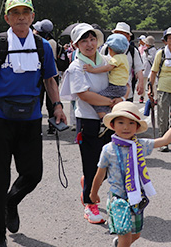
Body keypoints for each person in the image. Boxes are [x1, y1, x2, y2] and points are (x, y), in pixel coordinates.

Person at [0, 0, 67, 247]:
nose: (20, 16)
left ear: (32, 17)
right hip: (0, 118)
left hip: (31, 118)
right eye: (15, 12)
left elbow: (50, 80)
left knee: (33, 174)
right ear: (8, 18)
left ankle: (11, 202)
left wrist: (58, 106)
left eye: (25, 12)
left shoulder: (42, 46)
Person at [90, 101, 171, 247]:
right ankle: (121, 243)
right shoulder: (108, 149)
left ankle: (119, 243)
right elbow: (100, 174)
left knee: (136, 234)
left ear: (137, 127)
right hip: (118, 199)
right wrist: (93, 193)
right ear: (113, 125)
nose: (126, 127)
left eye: (131, 123)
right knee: (125, 237)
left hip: (136, 199)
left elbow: (165, 140)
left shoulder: (140, 145)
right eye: (121, 122)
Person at [60, 23, 121, 224]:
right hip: (88, 121)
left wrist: (121, 97)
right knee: (91, 164)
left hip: (110, 120)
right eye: (84, 40)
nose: (89, 44)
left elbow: (121, 81)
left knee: (110, 164)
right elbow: (84, 95)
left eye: (92, 39)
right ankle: (89, 203)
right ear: (75, 44)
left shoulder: (105, 61)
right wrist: (111, 101)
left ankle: (89, 184)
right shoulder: (76, 66)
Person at [84, 33, 131, 112]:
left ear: (110, 49)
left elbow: (107, 68)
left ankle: (103, 116)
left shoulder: (116, 58)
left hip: (115, 87)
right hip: (122, 88)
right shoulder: (124, 57)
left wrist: (92, 70)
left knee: (98, 99)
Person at [101, 22, 145, 102]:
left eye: (122, 34)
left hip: (126, 92)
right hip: (107, 89)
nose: (119, 36)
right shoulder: (106, 48)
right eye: (117, 33)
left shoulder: (132, 51)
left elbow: (138, 68)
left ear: (128, 37)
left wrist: (141, 83)